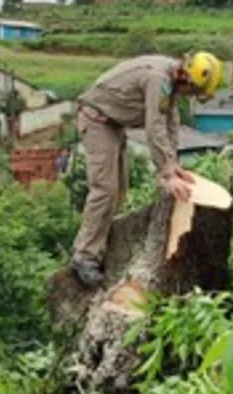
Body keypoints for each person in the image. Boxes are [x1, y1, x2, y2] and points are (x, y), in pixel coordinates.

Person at [69, 52, 224, 287]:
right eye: (192, 92)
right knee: (105, 190)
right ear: (187, 79)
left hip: (114, 125)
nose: (189, 96)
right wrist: (167, 174)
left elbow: (170, 122)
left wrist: (173, 165)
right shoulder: (158, 80)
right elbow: (154, 127)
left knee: (120, 190)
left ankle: (102, 247)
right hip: (97, 121)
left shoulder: (170, 82)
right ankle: (84, 257)